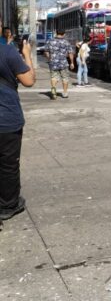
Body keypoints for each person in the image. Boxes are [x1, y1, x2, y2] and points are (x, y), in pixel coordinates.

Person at [0, 36, 35, 229]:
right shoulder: (7, 51)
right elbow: (29, 80)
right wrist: (27, 55)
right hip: (6, 119)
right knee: (8, 165)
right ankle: (8, 205)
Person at [44, 29, 74, 100]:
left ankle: (54, 90)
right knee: (65, 77)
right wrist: (72, 62)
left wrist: (49, 58)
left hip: (53, 62)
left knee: (54, 77)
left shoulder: (50, 41)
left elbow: (46, 52)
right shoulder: (66, 42)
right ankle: (65, 93)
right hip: (63, 63)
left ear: (56, 33)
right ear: (64, 34)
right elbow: (70, 53)